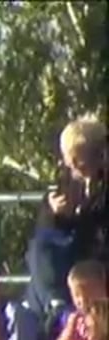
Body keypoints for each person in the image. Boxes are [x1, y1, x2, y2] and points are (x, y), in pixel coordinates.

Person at [26, 115, 108, 321]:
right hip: (70, 254)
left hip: (95, 255)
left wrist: (81, 214)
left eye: (79, 158)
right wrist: (56, 214)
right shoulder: (68, 182)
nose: (73, 165)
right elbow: (46, 227)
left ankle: (57, 307)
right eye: (69, 159)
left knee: (44, 250)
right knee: (40, 247)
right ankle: (55, 305)